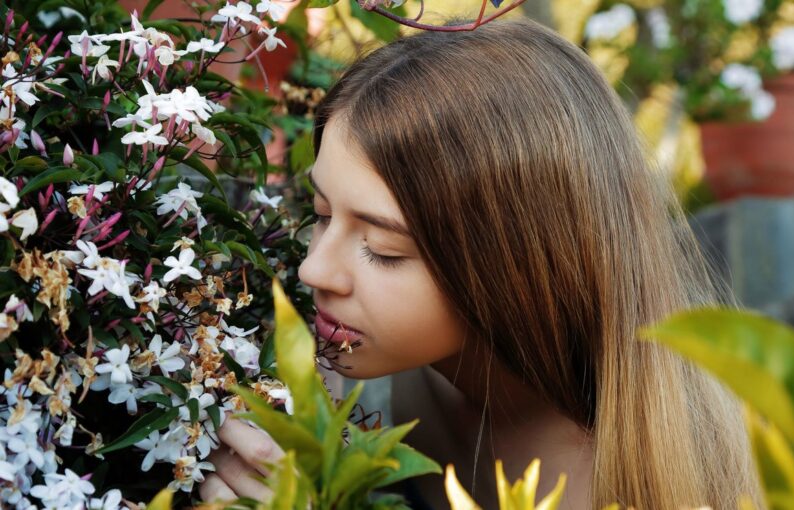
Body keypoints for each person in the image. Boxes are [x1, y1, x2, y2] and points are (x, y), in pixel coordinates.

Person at [199, 19, 765, 509]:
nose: (314, 271)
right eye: (322, 214)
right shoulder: (339, 366)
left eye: (384, 249)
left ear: (510, 264)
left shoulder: (610, 484)